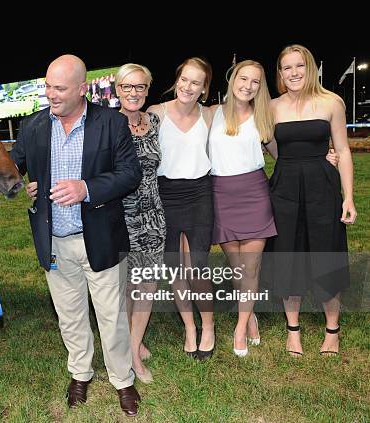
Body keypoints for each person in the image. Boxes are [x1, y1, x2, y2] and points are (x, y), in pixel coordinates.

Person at [11, 54, 143, 416]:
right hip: (54, 241)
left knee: (110, 316)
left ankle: (122, 379)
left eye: (59, 88)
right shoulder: (34, 126)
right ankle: (80, 372)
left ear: (82, 89)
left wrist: (87, 188)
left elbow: (130, 174)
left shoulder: (111, 123)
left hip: (98, 238)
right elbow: (10, 168)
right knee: (69, 316)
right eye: (47, 86)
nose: (50, 94)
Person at [268, 44, 356, 357]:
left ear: (310, 68)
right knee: (287, 256)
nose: (293, 73)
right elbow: (272, 147)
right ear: (279, 73)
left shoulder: (331, 102)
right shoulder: (272, 106)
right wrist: (294, 163)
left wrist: (349, 198)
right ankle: (294, 331)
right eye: (286, 68)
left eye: (299, 66)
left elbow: (343, 150)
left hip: (323, 187)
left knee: (326, 254)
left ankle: (332, 330)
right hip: (284, 188)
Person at [147, 57, 216, 360]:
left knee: (197, 267)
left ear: (204, 88)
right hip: (166, 196)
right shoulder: (155, 114)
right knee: (175, 269)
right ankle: (190, 327)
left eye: (196, 82)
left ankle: (209, 325)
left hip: (200, 194)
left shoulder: (211, 115)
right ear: (177, 80)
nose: (188, 87)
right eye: (184, 79)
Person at [207, 60, 277, 357]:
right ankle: (251, 315)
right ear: (233, 77)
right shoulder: (211, 114)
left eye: (255, 81)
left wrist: (324, 157)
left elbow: (286, 156)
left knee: (250, 267)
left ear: (261, 87)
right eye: (243, 78)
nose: (248, 85)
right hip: (220, 195)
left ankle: (240, 326)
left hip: (255, 195)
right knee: (237, 268)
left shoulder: (264, 118)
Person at [115, 63, 165, 383]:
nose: (134, 93)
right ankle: (133, 351)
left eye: (140, 87)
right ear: (118, 90)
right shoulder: (106, 124)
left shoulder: (155, 122)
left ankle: (134, 345)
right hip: (120, 217)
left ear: (147, 90)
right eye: (127, 87)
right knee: (125, 288)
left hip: (153, 216)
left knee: (146, 286)